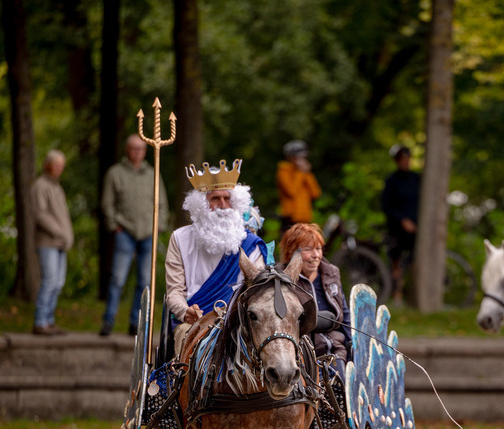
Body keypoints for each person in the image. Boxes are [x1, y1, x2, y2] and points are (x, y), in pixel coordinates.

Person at [165, 159, 268, 357]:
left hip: (240, 322)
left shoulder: (251, 244)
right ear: (202, 204)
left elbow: (259, 293)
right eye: (215, 199)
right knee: (186, 338)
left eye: (227, 198)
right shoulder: (180, 238)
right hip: (194, 322)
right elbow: (174, 291)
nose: (223, 205)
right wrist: (184, 311)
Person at [100, 134, 169, 336]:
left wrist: (159, 226)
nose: (137, 153)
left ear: (145, 151)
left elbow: (162, 203)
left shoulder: (153, 174)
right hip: (125, 231)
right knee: (117, 279)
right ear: (126, 150)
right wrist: (114, 225)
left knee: (144, 280)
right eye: (133, 149)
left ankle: (135, 323)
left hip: (149, 233)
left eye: (140, 149)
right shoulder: (115, 173)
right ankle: (108, 321)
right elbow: (107, 203)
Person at [279, 222, 352, 372]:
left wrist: (353, 349)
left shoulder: (331, 273)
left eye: (318, 249)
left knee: (341, 388)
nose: (316, 255)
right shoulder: (281, 279)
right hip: (299, 356)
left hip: (334, 351)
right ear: (292, 252)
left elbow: (345, 317)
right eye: (308, 250)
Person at [30, 150, 75, 336]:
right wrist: (57, 231)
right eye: (56, 165)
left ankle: (49, 321)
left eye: (61, 166)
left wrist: (67, 235)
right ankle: (40, 321)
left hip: (60, 243)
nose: (59, 169)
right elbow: (40, 214)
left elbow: (63, 216)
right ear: (48, 165)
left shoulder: (57, 187)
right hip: (47, 242)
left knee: (58, 283)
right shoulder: (40, 186)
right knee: (49, 281)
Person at [381, 145, 420, 303]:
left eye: (408, 159)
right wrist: (402, 220)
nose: (406, 162)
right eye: (403, 159)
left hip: (417, 230)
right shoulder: (392, 181)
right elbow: (387, 206)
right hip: (397, 229)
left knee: (413, 261)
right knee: (396, 263)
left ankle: (412, 294)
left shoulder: (417, 179)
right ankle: (397, 294)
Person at [275, 140, 321, 234]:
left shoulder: (304, 173)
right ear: (290, 157)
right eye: (298, 157)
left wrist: (307, 174)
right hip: (290, 219)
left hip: (305, 219)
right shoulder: (284, 171)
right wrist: (301, 173)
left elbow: (315, 193)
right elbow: (292, 191)